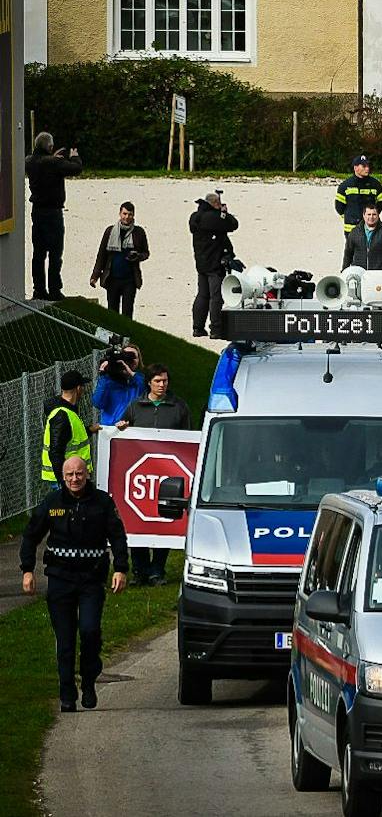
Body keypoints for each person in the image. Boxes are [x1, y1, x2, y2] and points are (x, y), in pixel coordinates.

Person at [19, 456, 128, 712]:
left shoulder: (102, 502)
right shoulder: (52, 502)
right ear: (63, 477)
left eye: (79, 474)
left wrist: (121, 568)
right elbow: (31, 535)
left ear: (87, 474)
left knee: (90, 631)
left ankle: (89, 681)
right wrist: (27, 570)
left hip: (91, 580)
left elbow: (117, 536)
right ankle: (67, 693)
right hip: (60, 579)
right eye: (69, 475)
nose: (75, 479)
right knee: (65, 641)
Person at [117, 363, 189, 586]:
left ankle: (157, 569)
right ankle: (139, 570)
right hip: (141, 475)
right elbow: (123, 429)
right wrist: (120, 427)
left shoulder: (179, 407)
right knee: (137, 519)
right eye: (158, 381)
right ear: (149, 382)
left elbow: (188, 441)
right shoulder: (136, 406)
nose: (162, 385)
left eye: (165, 381)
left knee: (165, 518)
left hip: (168, 474)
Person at [25, 133, 83, 301]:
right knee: (55, 254)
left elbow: (43, 162)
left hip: (37, 212)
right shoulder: (54, 163)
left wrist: (53, 158)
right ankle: (55, 290)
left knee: (39, 254)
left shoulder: (30, 161)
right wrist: (74, 157)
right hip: (53, 212)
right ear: (49, 147)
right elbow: (76, 169)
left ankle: (39, 290)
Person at [189, 191, 238, 340]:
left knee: (202, 295)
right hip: (215, 263)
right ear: (215, 204)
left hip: (201, 262)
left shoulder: (195, 217)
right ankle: (215, 329)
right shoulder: (213, 217)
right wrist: (224, 213)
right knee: (216, 297)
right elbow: (233, 225)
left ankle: (198, 327)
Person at [89, 201, 149, 318]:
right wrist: (95, 276)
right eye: (125, 214)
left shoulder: (139, 232)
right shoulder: (110, 231)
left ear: (133, 215)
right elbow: (101, 255)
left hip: (130, 280)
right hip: (112, 279)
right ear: (120, 214)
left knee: (127, 313)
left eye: (130, 214)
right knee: (112, 312)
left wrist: (138, 256)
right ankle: (113, 336)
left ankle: (126, 336)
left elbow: (146, 253)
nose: (127, 217)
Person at [41, 370, 96, 485]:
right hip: (69, 479)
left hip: (72, 476)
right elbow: (56, 452)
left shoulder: (67, 411)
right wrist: (65, 482)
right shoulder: (62, 415)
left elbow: (69, 437)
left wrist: (89, 430)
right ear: (78, 389)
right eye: (83, 386)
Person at [91, 343, 144, 427]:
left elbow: (147, 389)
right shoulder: (109, 381)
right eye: (126, 356)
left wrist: (131, 373)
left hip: (132, 430)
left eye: (133, 357)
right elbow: (98, 403)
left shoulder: (139, 382)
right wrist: (104, 377)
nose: (129, 360)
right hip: (110, 430)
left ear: (139, 361)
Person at [335, 154, 382, 239]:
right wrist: (350, 216)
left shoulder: (375, 184)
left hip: (371, 228)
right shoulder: (345, 185)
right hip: (351, 229)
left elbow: (380, 203)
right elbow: (339, 207)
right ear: (355, 168)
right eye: (364, 166)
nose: (367, 169)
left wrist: (371, 217)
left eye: (368, 166)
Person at [343, 202, 382, 272]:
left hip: (378, 274)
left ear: (378, 215)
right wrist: (344, 271)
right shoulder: (355, 232)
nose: (371, 217)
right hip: (360, 273)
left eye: (374, 214)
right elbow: (348, 253)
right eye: (368, 214)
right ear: (363, 215)